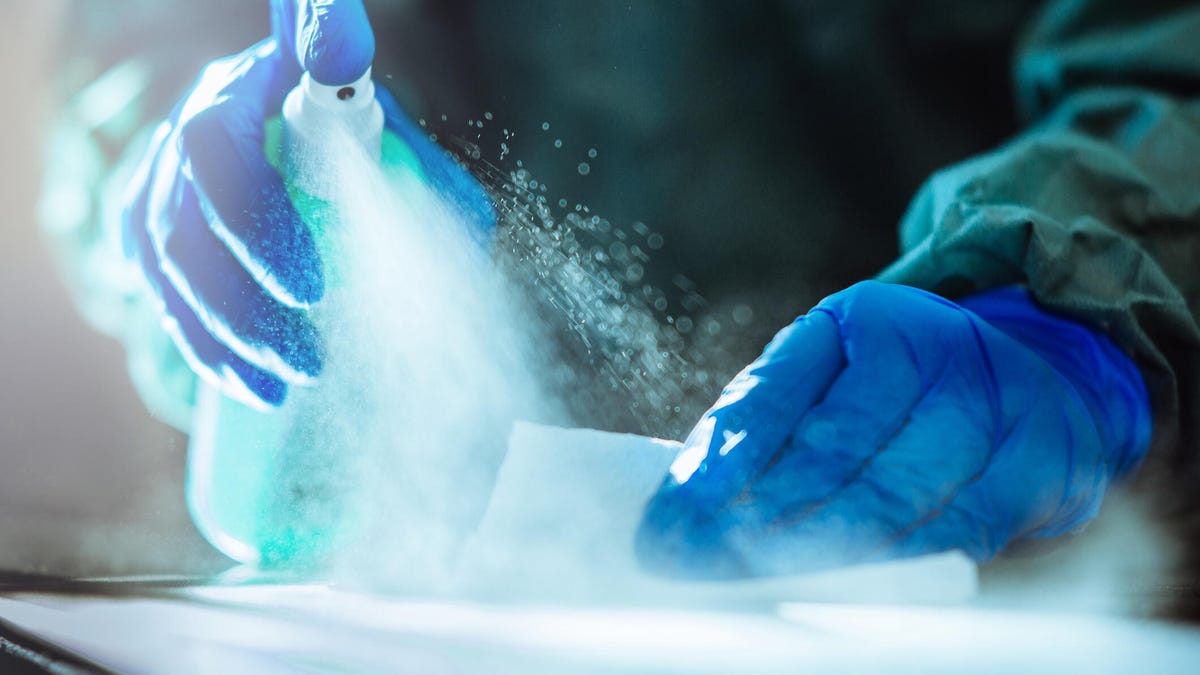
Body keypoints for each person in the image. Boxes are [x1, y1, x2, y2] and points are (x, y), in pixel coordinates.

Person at [44, 0, 1200, 580]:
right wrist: (169, 146)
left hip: (1020, 512)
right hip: (462, 578)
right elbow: (152, 29)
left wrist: (1074, 297)